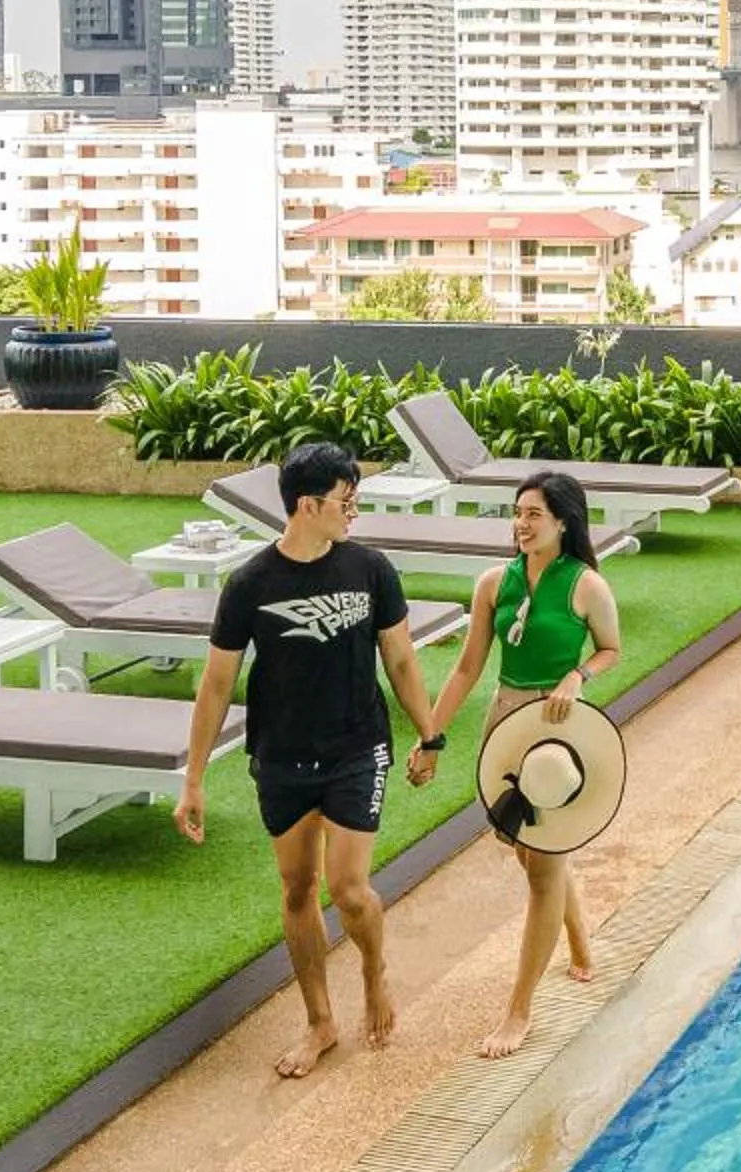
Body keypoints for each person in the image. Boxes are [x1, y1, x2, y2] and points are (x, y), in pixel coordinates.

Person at [176, 440, 444, 1080]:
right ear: (308, 505)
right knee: (298, 888)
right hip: (282, 756)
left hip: (357, 747)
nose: (354, 513)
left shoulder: (370, 569)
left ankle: (374, 970)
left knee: (349, 891)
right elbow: (216, 684)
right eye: (345, 502)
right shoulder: (250, 585)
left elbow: (401, 659)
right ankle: (320, 1020)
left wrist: (428, 734)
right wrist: (193, 777)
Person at [414, 469, 622, 1058]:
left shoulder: (586, 585)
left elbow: (611, 650)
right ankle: (580, 944)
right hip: (505, 723)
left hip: (559, 731)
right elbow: (466, 669)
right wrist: (431, 736)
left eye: (534, 514)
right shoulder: (492, 583)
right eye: (517, 512)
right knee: (532, 852)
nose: (521, 523)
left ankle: (520, 1010)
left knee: (543, 862)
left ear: (563, 522)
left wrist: (577, 675)